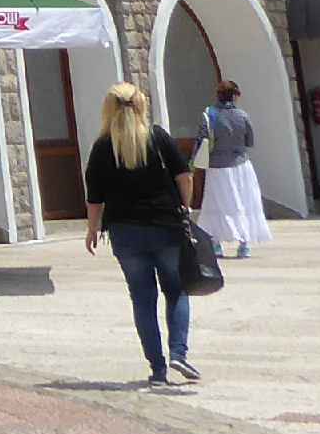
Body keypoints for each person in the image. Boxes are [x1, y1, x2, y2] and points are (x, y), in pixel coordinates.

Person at [81, 81, 198, 386]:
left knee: (143, 300)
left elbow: (94, 197)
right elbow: (184, 176)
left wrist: (92, 229)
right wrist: (184, 207)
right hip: (166, 226)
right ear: (141, 105)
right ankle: (178, 352)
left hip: (125, 232)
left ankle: (157, 369)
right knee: (176, 290)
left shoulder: (102, 146)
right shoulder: (157, 137)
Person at [192, 80, 270, 260]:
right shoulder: (242, 115)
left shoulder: (209, 115)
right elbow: (250, 141)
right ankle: (244, 244)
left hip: (217, 167)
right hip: (241, 166)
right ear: (234, 96)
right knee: (243, 202)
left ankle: (216, 243)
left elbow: (202, 140)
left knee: (217, 203)